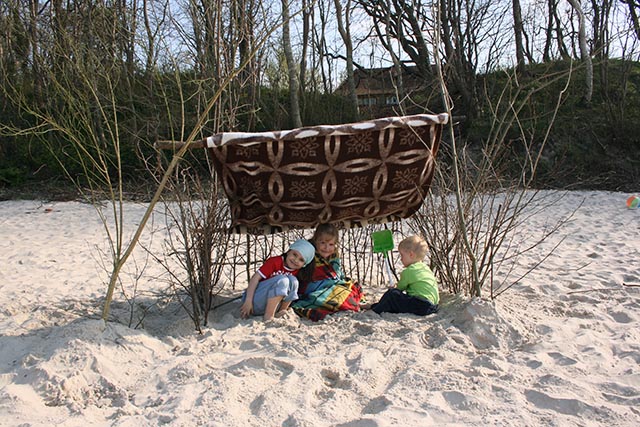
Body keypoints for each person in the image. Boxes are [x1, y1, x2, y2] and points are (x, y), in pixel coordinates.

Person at [292, 224, 363, 321]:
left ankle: (350, 303)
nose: (326, 248)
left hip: (331, 284)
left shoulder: (334, 254)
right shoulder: (308, 252)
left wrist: (340, 281)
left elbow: (336, 272)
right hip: (312, 288)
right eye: (323, 243)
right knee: (331, 298)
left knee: (354, 286)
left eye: (331, 244)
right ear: (315, 240)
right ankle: (352, 304)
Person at [362, 235, 439, 316]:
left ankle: (375, 310)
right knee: (399, 300)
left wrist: (394, 288)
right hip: (433, 306)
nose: (401, 259)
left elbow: (399, 289)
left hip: (420, 305)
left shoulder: (409, 271)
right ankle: (375, 306)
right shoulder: (425, 268)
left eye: (402, 255)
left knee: (391, 294)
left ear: (411, 255)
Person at [240, 239, 315, 321]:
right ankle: (268, 316)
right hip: (255, 302)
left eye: (301, 260)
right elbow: (255, 278)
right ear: (288, 251)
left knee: (294, 281)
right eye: (294, 254)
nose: (296, 260)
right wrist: (248, 301)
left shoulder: (296, 271)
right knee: (283, 280)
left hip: (271, 306)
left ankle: (281, 311)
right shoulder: (275, 262)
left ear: (304, 264)